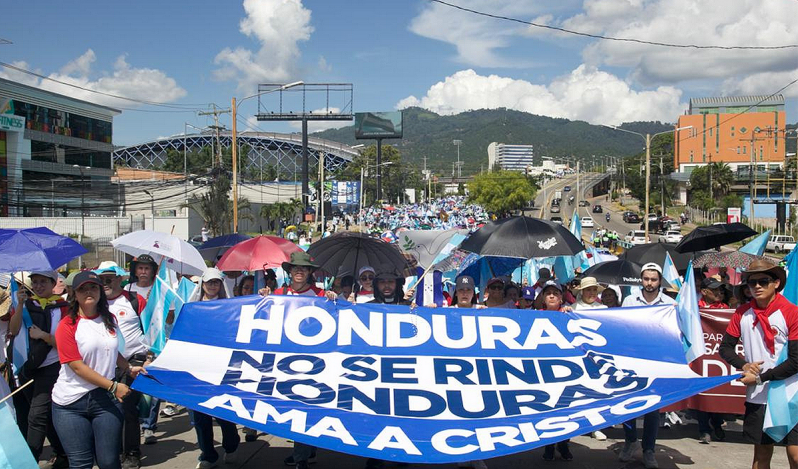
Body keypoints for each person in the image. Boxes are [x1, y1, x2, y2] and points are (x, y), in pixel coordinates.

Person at [51, 271, 146, 469]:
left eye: (93, 287)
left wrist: (128, 368)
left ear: (100, 291)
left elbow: (111, 349)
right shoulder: (67, 325)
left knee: (109, 461)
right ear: (74, 294)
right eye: (83, 289)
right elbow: (77, 367)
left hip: (105, 400)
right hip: (71, 403)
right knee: (81, 463)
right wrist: (114, 386)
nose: (89, 292)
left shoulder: (109, 318)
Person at [719, 259, 798, 469]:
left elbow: (796, 360)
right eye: (752, 282)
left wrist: (761, 377)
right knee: (761, 456)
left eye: (763, 281)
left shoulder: (792, 312)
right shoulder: (742, 313)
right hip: (759, 396)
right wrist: (744, 365)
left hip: (791, 394)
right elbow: (725, 348)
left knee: (796, 456)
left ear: (776, 283)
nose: (757, 287)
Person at [620, 262, 676, 469]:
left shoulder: (670, 303)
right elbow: (622, 326)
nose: (649, 283)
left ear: (660, 281)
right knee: (628, 404)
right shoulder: (629, 300)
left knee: (653, 408)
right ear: (641, 280)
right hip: (632, 360)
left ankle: (649, 449)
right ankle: (630, 441)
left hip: (657, 361)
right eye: (646, 279)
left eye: (653, 279)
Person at [13, 271, 69, 468]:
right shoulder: (27, 305)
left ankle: (29, 463)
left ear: (53, 283)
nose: (38, 286)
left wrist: (44, 336)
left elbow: (66, 344)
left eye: (43, 281)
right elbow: (13, 330)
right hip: (27, 367)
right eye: (35, 282)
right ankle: (63, 454)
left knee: (36, 416)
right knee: (43, 416)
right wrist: (19, 305)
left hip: (52, 367)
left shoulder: (64, 308)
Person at [96, 263, 149, 468]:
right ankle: (115, 451)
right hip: (106, 362)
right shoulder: (96, 304)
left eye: (109, 278)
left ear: (119, 279)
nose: (105, 283)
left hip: (134, 360)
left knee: (127, 406)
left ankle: (132, 453)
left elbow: (152, 328)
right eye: (101, 279)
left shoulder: (135, 300)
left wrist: (149, 356)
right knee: (110, 408)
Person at [189, 268, 239, 468]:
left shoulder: (229, 307)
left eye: (216, 282)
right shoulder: (192, 307)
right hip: (196, 367)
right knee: (200, 414)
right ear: (202, 284)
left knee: (223, 410)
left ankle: (231, 445)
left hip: (221, 367)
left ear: (221, 285)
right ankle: (208, 454)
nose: (212, 286)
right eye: (209, 282)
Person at [536, 280, 574, 461]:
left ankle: (564, 443)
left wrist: (571, 314)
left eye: (555, 293)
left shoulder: (569, 314)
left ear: (561, 297)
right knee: (547, 408)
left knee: (565, 409)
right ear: (543, 297)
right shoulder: (534, 316)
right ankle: (549, 445)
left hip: (565, 369)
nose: (552, 296)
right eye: (548, 293)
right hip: (543, 369)